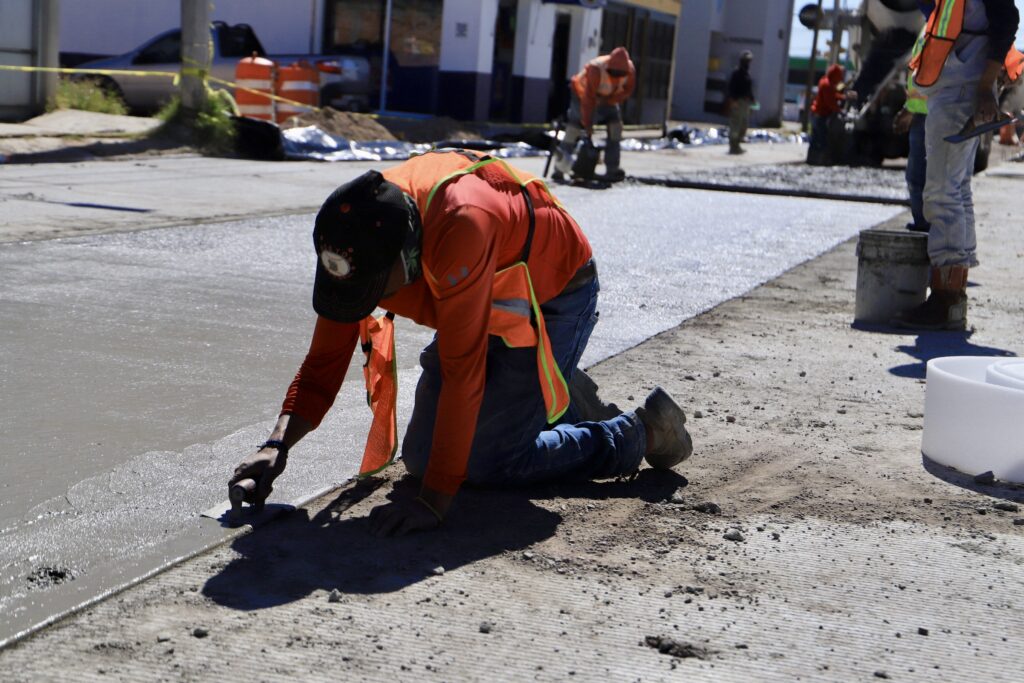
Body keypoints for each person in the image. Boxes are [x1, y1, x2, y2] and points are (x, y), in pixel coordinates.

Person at [230, 150, 694, 536]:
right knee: (421, 458)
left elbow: (462, 375)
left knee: (486, 463)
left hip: (549, 296)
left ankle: (639, 430)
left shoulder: (460, 228)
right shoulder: (356, 233)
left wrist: (434, 503)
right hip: (485, 295)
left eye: (373, 290)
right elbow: (325, 359)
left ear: (411, 256)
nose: (365, 301)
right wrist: (277, 444)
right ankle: (551, 391)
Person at [893, 0, 1020, 331]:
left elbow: (1007, 17)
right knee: (955, 190)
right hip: (956, 85)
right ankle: (952, 295)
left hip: (964, 87)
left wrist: (983, 87)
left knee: (942, 193)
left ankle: (946, 297)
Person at [553, 47, 636, 182]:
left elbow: (627, 91)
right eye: (613, 73)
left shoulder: (630, 70)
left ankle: (612, 169)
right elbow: (588, 99)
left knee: (616, 128)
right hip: (581, 96)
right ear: (609, 66)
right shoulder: (596, 69)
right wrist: (588, 124)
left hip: (607, 98)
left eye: (619, 74)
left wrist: (609, 100)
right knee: (574, 128)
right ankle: (559, 170)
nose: (615, 77)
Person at [892, 1, 937, 233]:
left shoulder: (941, 26)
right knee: (917, 178)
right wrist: (909, 108)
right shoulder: (928, 26)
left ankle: (926, 227)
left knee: (921, 178)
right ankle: (922, 224)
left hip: (935, 115)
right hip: (922, 113)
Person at [807, 64, 855, 165]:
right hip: (820, 115)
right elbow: (831, 102)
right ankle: (819, 159)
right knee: (821, 137)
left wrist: (843, 97)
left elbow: (833, 95)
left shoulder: (825, 81)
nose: (840, 78)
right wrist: (840, 110)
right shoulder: (827, 85)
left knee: (816, 138)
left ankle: (813, 159)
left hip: (818, 113)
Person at [727, 51, 757, 155]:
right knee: (735, 124)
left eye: (749, 61)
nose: (748, 63)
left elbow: (749, 89)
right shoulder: (736, 73)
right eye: (746, 61)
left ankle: (737, 144)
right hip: (737, 101)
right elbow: (731, 88)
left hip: (745, 102)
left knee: (743, 125)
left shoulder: (747, 74)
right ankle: (733, 146)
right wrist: (733, 100)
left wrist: (753, 101)